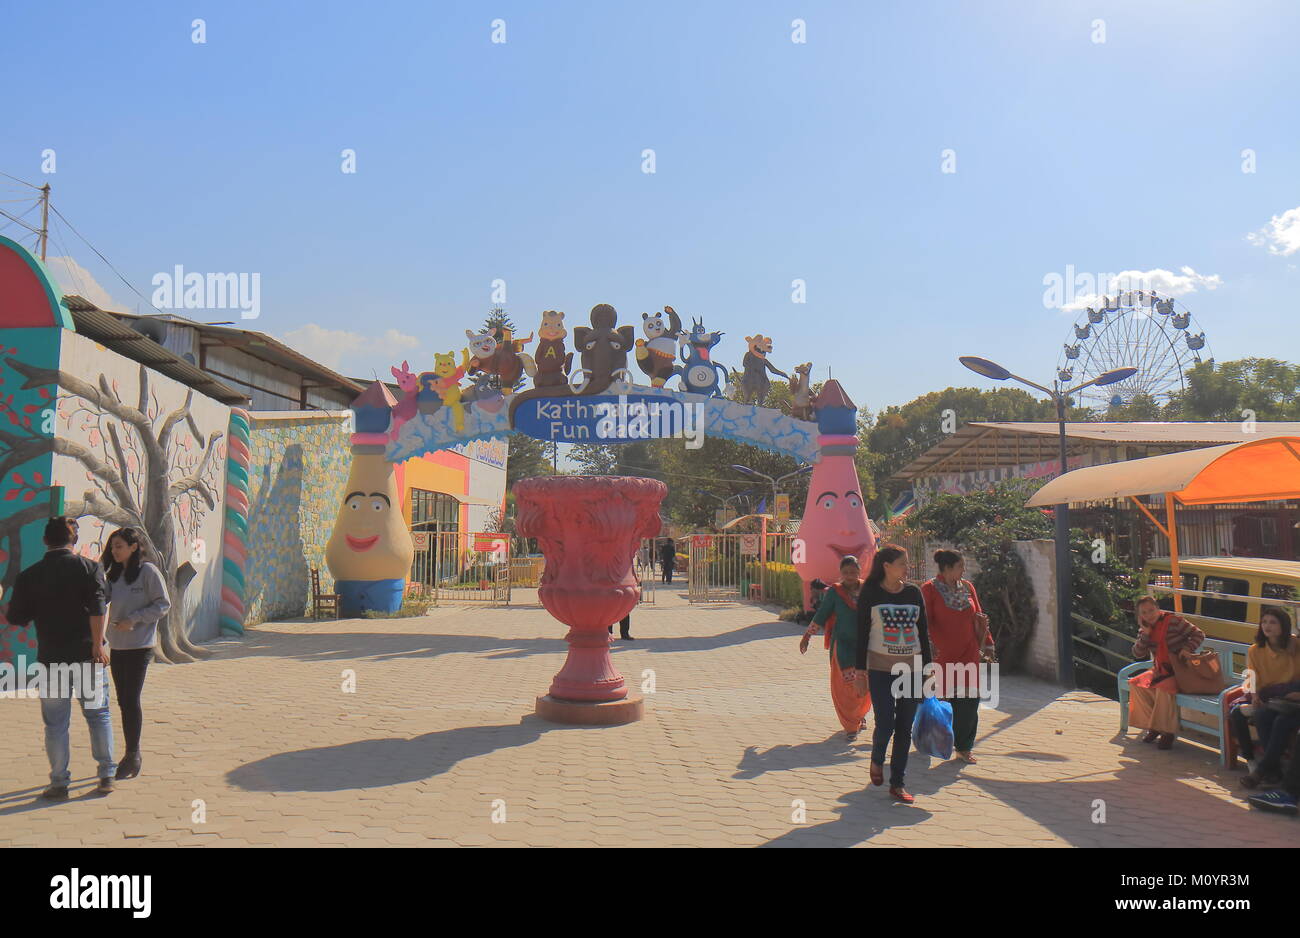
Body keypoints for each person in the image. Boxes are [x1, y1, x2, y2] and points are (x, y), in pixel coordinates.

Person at [3, 517, 114, 799]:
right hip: (88, 656)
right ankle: (105, 775)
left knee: (55, 725)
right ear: (73, 540)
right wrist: (98, 645)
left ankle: (59, 781)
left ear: (44, 541)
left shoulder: (30, 575)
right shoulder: (90, 568)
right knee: (98, 716)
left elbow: (17, 618)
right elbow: (98, 607)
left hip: (52, 659)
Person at [853, 544, 932, 804]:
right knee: (885, 722)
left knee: (904, 727)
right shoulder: (871, 593)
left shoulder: (913, 593)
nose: (906, 567)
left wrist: (928, 670)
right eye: (902, 563)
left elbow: (923, 634)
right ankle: (877, 759)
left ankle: (897, 783)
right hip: (880, 669)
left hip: (911, 670)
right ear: (886, 566)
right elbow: (861, 633)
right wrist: (860, 672)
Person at [100, 527, 171, 781]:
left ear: (133, 547)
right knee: (123, 700)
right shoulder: (113, 575)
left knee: (130, 699)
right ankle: (130, 753)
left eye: (119, 546)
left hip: (140, 647)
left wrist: (135, 619)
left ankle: (133, 754)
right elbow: (101, 600)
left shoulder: (148, 572)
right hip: (117, 647)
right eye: (112, 547)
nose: (114, 551)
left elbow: (163, 604)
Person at [921, 549, 994, 764]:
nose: (964, 570)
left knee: (969, 701)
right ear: (947, 568)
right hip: (942, 656)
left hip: (969, 652)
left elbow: (979, 616)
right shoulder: (929, 590)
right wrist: (927, 648)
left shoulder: (968, 587)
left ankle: (964, 747)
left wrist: (988, 642)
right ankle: (938, 740)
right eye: (960, 566)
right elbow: (924, 621)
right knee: (943, 702)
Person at [800, 555, 871, 741]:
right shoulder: (835, 592)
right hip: (843, 646)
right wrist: (808, 636)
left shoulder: (867, 590)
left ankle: (859, 716)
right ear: (841, 573)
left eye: (853, 572)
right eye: (846, 572)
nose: (850, 575)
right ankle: (850, 725)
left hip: (865, 646)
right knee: (846, 685)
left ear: (859, 571)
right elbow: (822, 614)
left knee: (865, 684)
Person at [1128, 594, 1205, 750]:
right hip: (1161, 670)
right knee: (1136, 684)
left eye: (1151, 610)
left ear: (1158, 609)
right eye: (1144, 612)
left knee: (1163, 688)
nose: (1148, 615)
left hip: (1181, 671)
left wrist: (1186, 649)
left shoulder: (1174, 622)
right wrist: (1146, 634)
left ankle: (1167, 732)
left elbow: (1199, 634)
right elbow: (1137, 653)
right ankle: (1154, 726)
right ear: (1139, 616)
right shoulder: (1145, 630)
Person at [1229, 607, 1298, 782]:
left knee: (1279, 720)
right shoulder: (1255, 650)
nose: (1267, 626)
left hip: (1293, 698)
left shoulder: (1295, 645)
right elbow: (1252, 677)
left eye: (1273, 622)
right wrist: (1255, 695)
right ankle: (1270, 770)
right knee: (1260, 714)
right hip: (1271, 698)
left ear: (1283, 625)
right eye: (1264, 622)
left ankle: (1263, 771)